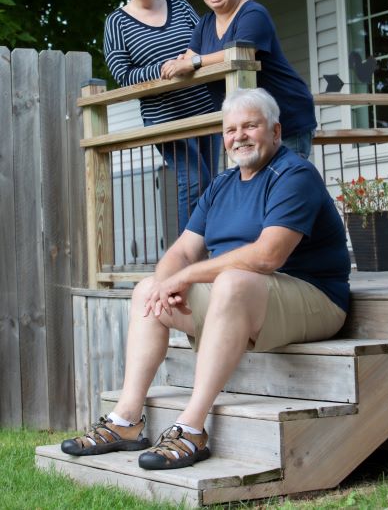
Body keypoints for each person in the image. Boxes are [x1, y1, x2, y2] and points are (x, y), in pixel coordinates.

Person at [61, 88, 350, 470]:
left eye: (251, 125)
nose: (239, 136)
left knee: (232, 281)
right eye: (231, 129)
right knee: (148, 289)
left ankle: (191, 429)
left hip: (316, 300)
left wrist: (189, 276)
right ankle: (126, 420)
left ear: (276, 132)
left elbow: (267, 256)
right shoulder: (222, 184)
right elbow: (182, 250)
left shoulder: (294, 174)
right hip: (246, 302)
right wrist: (165, 283)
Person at [104, 0, 220, 232]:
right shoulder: (116, 22)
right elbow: (122, 73)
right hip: (165, 118)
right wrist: (167, 68)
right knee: (194, 180)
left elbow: (205, 42)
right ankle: (186, 262)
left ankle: (209, 256)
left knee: (210, 184)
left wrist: (191, 61)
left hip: (206, 109)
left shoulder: (179, 6)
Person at [161, 0, 317, 159]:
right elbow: (188, 59)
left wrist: (193, 62)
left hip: (284, 116)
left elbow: (240, 54)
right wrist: (180, 63)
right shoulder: (205, 23)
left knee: (285, 186)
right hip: (247, 125)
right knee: (257, 188)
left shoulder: (253, 13)